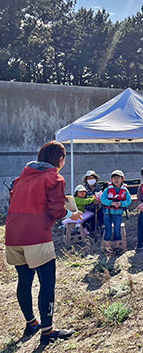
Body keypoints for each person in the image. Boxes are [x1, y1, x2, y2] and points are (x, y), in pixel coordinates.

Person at [5, 141, 82, 343]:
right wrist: (71, 215)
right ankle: (47, 332)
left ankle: (32, 323)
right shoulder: (54, 178)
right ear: (60, 159)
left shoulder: (21, 178)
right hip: (36, 236)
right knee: (47, 284)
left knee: (24, 280)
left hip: (13, 236)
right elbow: (57, 212)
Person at [100, 170, 132, 255]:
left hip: (118, 212)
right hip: (107, 212)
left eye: (118, 178)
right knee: (108, 229)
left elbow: (129, 200)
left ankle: (118, 246)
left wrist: (121, 203)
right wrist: (111, 203)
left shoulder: (125, 190)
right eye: (114, 178)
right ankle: (107, 247)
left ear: (122, 179)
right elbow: (103, 199)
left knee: (117, 229)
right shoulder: (107, 189)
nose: (116, 180)